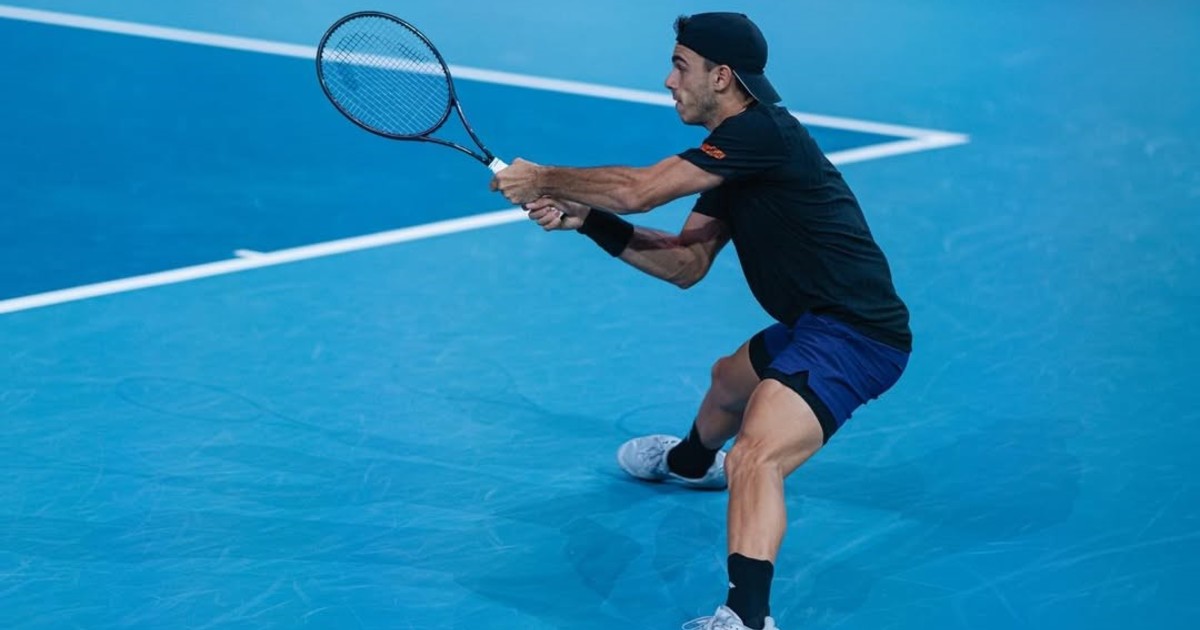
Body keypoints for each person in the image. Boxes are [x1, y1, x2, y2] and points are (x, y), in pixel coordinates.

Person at [490, 12, 911, 630]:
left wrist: (543, 177)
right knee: (728, 382)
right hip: (814, 322)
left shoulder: (760, 133)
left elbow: (638, 190)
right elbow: (685, 265)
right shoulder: (737, 160)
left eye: (680, 66)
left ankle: (746, 618)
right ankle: (690, 464)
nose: (669, 81)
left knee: (755, 456)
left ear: (721, 77)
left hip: (856, 336)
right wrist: (589, 220)